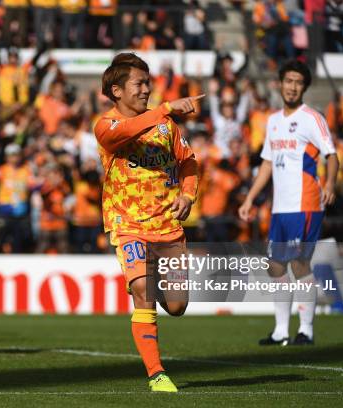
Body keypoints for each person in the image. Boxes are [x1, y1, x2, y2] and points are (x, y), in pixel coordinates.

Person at [94, 53, 201, 392]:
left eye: (147, 83)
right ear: (116, 91)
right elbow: (123, 133)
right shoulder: (106, 125)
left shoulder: (166, 126)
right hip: (127, 224)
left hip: (167, 226)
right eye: (138, 84)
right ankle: (157, 374)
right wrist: (167, 107)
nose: (146, 89)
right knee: (142, 291)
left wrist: (187, 195)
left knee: (177, 304)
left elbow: (188, 162)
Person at [239, 60, 339, 346]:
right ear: (280, 83)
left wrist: (330, 183)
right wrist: (249, 198)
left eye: (298, 82)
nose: (293, 87)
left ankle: (305, 329)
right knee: (275, 267)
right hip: (281, 208)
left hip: (305, 203)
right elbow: (267, 164)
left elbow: (331, 155)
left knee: (298, 263)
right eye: (289, 81)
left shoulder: (312, 118)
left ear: (304, 87)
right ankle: (281, 330)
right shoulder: (272, 121)